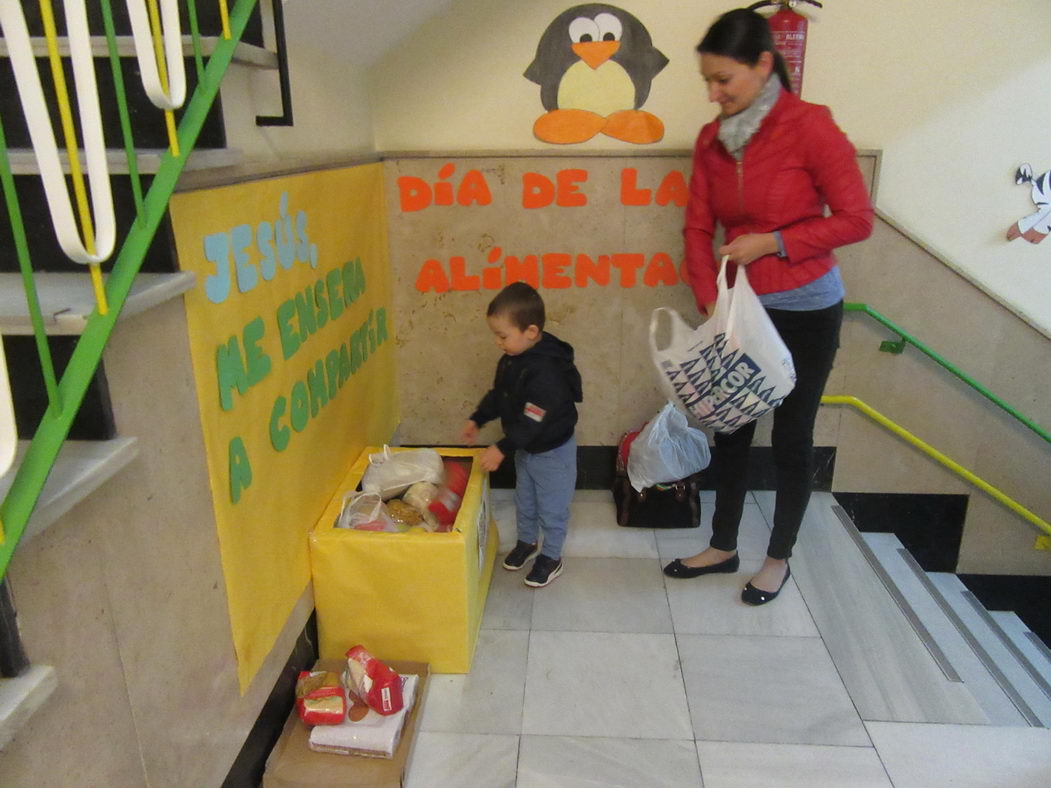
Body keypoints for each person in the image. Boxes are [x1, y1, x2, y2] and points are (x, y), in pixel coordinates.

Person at [664, 8, 873, 605]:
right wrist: (710, 300)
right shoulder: (711, 139)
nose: (713, 93)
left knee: (791, 437)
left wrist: (775, 242)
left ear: (762, 65)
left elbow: (858, 219)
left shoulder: (811, 127)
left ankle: (777, 558)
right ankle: (722, 545)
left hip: (807, 309)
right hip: (738, 311)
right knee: (730, 429)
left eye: (723, 79)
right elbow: (696, 227)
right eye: (706, 80)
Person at [461, 282, 583, 588]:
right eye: (496, 335)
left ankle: (552, 557)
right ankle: (527, 542)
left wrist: (502, 448)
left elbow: (533, 421)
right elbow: (500, 395)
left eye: (503, 336)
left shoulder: (546, 372)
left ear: (530, 331)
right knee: (525, 500)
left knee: (552, 507)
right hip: (527, 449)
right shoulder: (513, 359)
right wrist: (478, 418)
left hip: (552, 451)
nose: (498, 342)